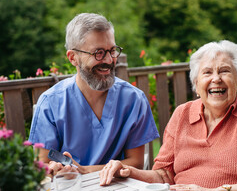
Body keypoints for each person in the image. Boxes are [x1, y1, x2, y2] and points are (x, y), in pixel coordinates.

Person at [99, 40, 237, 191]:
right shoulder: (182, 114)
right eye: (207, 72)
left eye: (224, 71)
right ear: (196, 84)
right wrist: (128, 171)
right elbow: (163, 175)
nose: (216, 78)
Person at [29, 13, 159, 176]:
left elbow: (136, 163)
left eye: (112, 51)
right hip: (70, 190)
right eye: (98, 52)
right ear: (73, 57)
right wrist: (55, 170)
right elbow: (44, 163)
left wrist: (84, 171)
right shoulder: (50, 103)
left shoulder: (134, 99)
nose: (109, 60)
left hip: (119, 189)